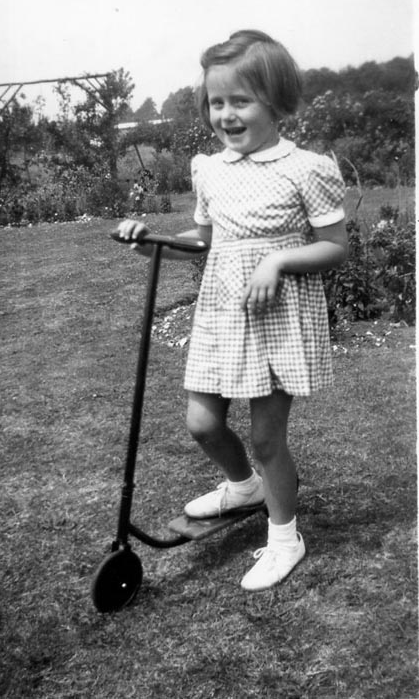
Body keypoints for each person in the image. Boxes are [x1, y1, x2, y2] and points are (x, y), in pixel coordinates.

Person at [116, 29, 348, 592]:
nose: (226, 114)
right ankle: (244, 487)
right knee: (202, 423)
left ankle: (285, 538)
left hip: (277, 318)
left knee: (268, 438)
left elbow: (335, 246)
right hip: (222, 316)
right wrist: (150, 243)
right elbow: (203, 241)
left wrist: (278, 261)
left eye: (240, 101)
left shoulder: (305, 168)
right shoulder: (210, 169)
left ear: (277, 102)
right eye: (216, 102)